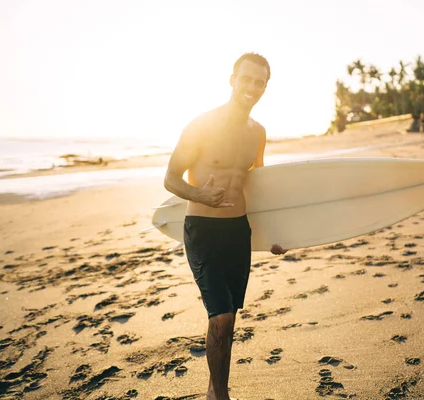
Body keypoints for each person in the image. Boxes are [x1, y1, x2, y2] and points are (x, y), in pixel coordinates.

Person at [163, 52, 286, 400]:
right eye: (246, 79)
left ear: (265, 87)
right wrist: (199, 194)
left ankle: (215, 389)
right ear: (232, 79)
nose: (252, 87)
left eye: (259, 82)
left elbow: (258, 186)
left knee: (228, 316)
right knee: (220, 317)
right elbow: (170, 178)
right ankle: (220, 395)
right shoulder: (202, 125)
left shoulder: (258, 133)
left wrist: (276, 234)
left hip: (237, 232)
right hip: (202, 229)